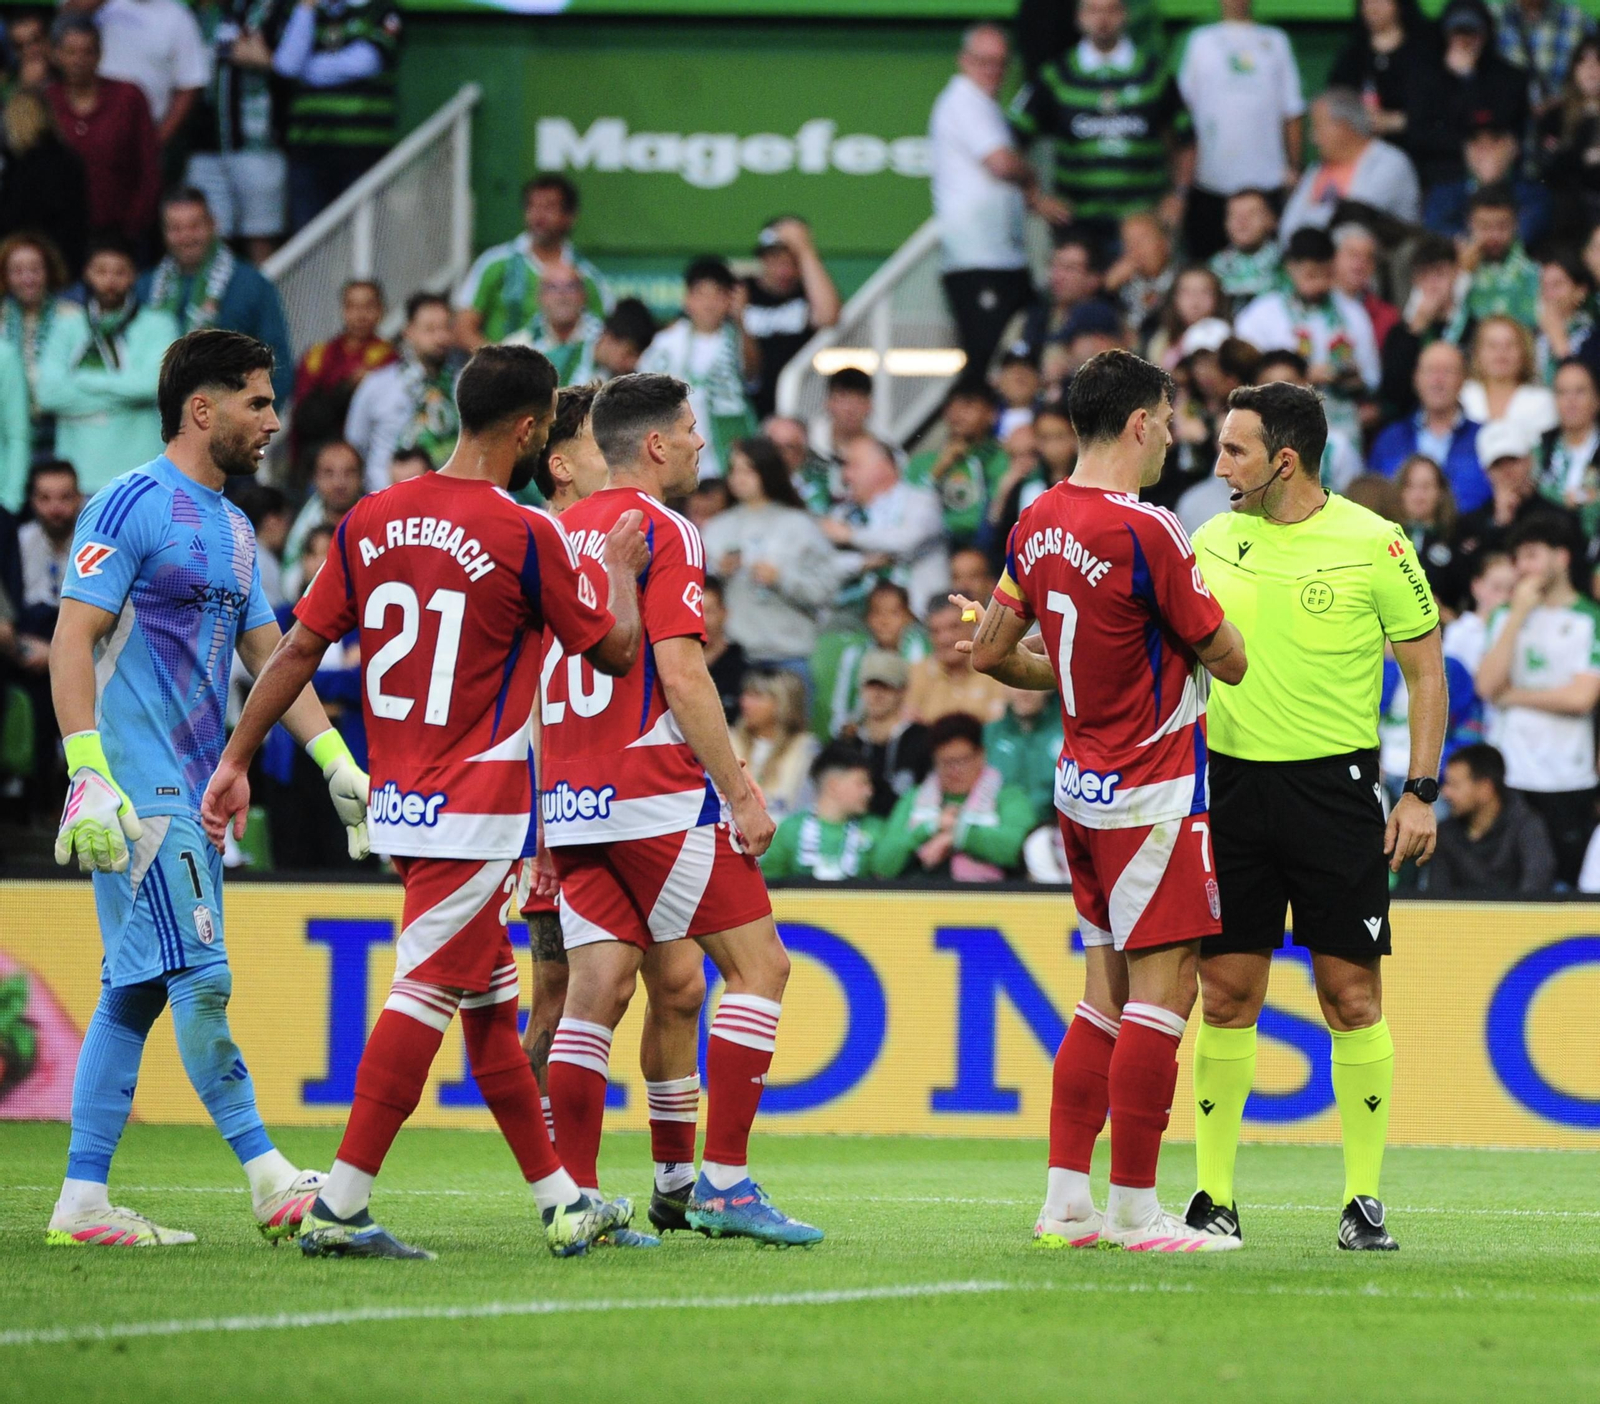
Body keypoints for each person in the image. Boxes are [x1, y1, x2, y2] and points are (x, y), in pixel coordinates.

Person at [206, 343, 647, 1259]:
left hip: (402, 800)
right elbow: (611, 653)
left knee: (488, 1002)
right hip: (479, 807)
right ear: (530, 431)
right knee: (424, 995)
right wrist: (615, 570)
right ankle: (341, 1205)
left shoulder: (371, 517)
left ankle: (563, 1202)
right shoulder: (524, 533)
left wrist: (236, 757)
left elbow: (294, 651)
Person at [46, 329, 363, 1249]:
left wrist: (338, 764)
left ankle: (81, 1201)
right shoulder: (129, 503)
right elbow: (73, 638)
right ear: (202, 408)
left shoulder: (232, 529)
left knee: (132, 993)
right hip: (136, 789)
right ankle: (270, 1179)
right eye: (258, 402)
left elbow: (273, 660)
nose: (272, 420)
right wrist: (86, 773)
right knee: (204, 977)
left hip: (190, 786)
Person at [965, 348, 1248, 1251]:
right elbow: (1230, 658)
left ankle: (1065, 1203)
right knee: (1165, 999)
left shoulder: (1036, 517)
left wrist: (1082, 673)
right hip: (1153, 789)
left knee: (1102, 1001)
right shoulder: (1151, 529)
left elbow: (989, 652)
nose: (1173, 436)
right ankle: (1134, 1208)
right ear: (1137, 424)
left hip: (1080, 789)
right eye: (1167, 420)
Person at [536, 371, 823, 1247]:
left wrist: (545, 817)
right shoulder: (663, 529)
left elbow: (533, 685)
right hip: (655, 793)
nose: (703, 444)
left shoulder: (547, 534)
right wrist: (739, 789)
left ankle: (576, 1202)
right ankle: (725, 1185)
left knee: (595, 995)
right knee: (760, 968)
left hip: (574, 800)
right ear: (654, 444)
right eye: (693, 430)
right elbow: (681, 669)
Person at [1188, 378, 1446, 1251]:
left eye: (1234, 451)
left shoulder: (1377, 544)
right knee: (1225, 996)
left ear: (1284, 460)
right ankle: (1212, 1197)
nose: (1218, 465)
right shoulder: (1212, 539)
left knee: (1351, 994)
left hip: (1335, 795)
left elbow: (1426, 673)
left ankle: (1363, 1202)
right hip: (1228, 788)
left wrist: (1420, 790)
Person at [516, 381, 705, 1246]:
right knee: (567, 995)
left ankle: (667, 1185)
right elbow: (539, 690)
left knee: (670, 983)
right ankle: (560, 1184)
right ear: (561, 463)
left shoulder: (581, 539)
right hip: (567, 794)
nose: (611, 459)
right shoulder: (556, 541)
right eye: (594, 444)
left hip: (581, 794)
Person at [1475, 511, 1600, 886]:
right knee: (1512, 887)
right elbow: (1487, 685)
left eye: (1531, 555)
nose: (1522, 566)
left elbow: (1581, 698)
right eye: (1517, 559)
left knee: (1564, 887)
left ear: (1561, 558)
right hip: (1510, 773)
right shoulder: (1504, 617)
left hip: (1568, 777)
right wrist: (1517, 617)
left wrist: (1513, 695)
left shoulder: (1590, 619)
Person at [1006, 0, 1193, 250]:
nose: (1102, 20)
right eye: (1093, 10)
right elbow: (1014, 138)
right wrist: (1035, 197)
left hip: (1142, 224)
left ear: (1124, 15)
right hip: (1076, 229)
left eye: (1110, 10)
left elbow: (1187, 139)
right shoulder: (1056, 75)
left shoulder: (1153, 74)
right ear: (1078, 17)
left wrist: (1178, 196)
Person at [929, 24, 1059, 380]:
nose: (993, 71)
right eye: (983, 61)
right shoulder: (962, 100)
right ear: (963, 61)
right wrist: (1032, 181)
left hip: (1001, 257)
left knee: (1024, 340)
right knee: (984, 359)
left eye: (1000, 63)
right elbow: (1001, 163)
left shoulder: (985, 106)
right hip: (978, 259)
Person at [1234, 228, 1380, 488]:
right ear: (1291, 268)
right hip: (1275, 428)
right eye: (1311, 274)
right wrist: (1301, 378)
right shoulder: (1262, 314)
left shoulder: (1352, 313)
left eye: (1325, 274)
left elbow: (1373, 378)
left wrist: (1349, 377)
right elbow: (1240, 376)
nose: (1319, 283)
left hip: (1339, 426)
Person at [37, 239, 178, 496]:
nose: (110, 280)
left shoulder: (159, 325)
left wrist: (82, 380)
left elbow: (154, 385)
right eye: (101, 271)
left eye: (120, 272)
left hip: (142, 474)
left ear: (134, 275)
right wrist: (125, 395)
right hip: (77, 475)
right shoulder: (65, 325)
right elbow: (48, 394)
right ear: (87, 274)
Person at [1176, 0, 1306, 261]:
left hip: (1268, 180)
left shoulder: (1276, 41)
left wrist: (1294, 167)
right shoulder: (1200, 41)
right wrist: (1181, 180)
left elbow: (1292, 111)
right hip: (1210, 181)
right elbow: (1183, 114)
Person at [139, 189, 292, 405]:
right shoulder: (145, 288)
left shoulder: (251, 284)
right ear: (163, 233)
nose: (186, 237)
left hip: (231, 421)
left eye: (195, 226)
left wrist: (254, 424)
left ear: (213, 225)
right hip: (155, 424)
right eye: (175, 228)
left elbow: (277, 363)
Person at [700, 435, 838, 672]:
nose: (739, 478)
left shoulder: (800, 525)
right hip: (732, 656)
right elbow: (696, 591)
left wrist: (780, 579)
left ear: (768, 470)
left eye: (748, 470)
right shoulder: (715, 529)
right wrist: (717, 573)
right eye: (734, 470)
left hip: (788, 654)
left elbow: (827, 589)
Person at [271, 0, 402, 233]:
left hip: (362, 152)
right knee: (307, 244)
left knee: (361, 240)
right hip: (307, 150)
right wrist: (306, 9)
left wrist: (307, 68)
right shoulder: (299, 10)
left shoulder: (380, 8)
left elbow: (366, 62)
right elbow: (286, 66)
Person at [184, 0, 292, 264]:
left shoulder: (274, 8)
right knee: (206, 237)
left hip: (258, 145)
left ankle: (263, 302)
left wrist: (262, 56)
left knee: (260, 237)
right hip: (204, 148)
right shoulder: (201, 12)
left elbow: (286, 62)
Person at [871, 711, 1035, 881]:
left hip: (989, 899)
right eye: (946, 762)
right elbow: (883, 864)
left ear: (981, 756)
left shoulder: (1008, 796)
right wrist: (929, 828)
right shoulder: (914, 798)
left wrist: (958, 835)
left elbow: (1021, 850)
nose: (955, 771)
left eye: (962, 761)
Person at [454, 174, 610, 351]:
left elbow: (605, 337)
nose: (539, 216)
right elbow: (463, 329)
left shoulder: (585, 275)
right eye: (532, 206)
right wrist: (500, 364)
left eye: (549, 207)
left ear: (570, 216)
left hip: (567, 375)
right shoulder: (494, 263)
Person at [44, 16, 161, 251]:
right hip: (58, 240)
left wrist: (134, 225)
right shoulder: (45, 102)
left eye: (87, 52)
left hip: (122, 236)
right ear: (56, 54)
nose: (79, 60)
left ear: (99, 54)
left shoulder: (128, 97)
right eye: (70, 52)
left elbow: (150, 166)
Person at [638, 256, 756, 482]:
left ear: (730, 300)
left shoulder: (737, 339)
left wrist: (741, 320)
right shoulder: (668, 341)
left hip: (724, 449)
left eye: (718, 295)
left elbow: (752, 373)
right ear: (687, 299)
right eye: (702, 294)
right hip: (676, 447)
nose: (709, 303)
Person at [343, 291, 459, 491]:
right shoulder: (377, 385)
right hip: (387, 500)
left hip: (447, 504)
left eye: (445, 328)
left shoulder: (462, 386)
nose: (440, 338)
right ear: (408, 332)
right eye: (430, 329)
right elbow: (355, 444)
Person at [823, 436, 948, 618]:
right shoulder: (843, 514)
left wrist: (850, 536)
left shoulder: (921, 500)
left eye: (853, 465)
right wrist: (862, 563)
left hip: (921, 620)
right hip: (861, 624)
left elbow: (907, 540)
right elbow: (821, 565)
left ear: (884, 466)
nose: (845, 476)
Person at [1409, 0, 1529, 188]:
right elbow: (1419, 133)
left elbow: (1494, 124)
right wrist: (1465, 147)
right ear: (1446, 35)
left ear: (1485, 35)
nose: (1464, 40)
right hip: (1446, 174)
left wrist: (1469, 79)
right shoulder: (1427, 77)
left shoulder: (1510, 77)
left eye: (1471, 32)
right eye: (1457, 32)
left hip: (1502, 175)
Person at [1279, 88, 1421, 238]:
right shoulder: (1317, 169)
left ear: (1343, 127)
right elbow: (1288, 228)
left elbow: (1353, 221)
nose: (1313, 139)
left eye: (1317, 127)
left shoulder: (1391, 163)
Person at [78, 0, 209, 157]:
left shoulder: (178, 16)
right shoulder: (99, 6)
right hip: (87, 127)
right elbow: (64, 21)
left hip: (143, 133)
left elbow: (189, 83)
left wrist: (157, 140)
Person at [1370, 341, 1489, 513]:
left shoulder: (1484, 439)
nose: (1438, 381)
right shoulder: (1389, 440)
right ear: (1416, 378)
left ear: (1463, 380)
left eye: (1447, 372)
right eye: (1430, 371)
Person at [1423, 742, 1555, 893]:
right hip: (1460, 916)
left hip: (1515, 915)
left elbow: (1535, 889)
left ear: (1486, 788)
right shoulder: (1446, 832)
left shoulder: (1527, 826)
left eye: (1455, 785)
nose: (1446, 792)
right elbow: (1438, 896)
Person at [742, 217, 840, 418]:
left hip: (801, 411)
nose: (784, 270)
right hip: (747, 411)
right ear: (763, 258)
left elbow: (828, 316)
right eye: (776, 260)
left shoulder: (808, 294)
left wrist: (805, 249)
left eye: (793, 261)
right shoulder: (740, 291)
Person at [290, 280, 396, 463]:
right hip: (315, 457)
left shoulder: (389, 359)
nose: (360, 315)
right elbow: (301, 412)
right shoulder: (318, 355)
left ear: (381, 310)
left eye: (368, 306)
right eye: (352, 306)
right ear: (343, 310)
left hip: (365, 458)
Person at [1327, 0, 1441, 159]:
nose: (1374, 6)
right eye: (1367, 1)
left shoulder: (1426, 52)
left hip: (1420, 156)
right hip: (1362, 158)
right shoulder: (1351, 56)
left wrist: (1396, 121)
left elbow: (1441, 109)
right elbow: (1333, 104)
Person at [1425, 116, 1554, 250]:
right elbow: (1434, 232)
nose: (1485, 149)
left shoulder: (1534, 193)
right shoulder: (1445, 192)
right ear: (1465, 150)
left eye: (1495, 141)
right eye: (1476, 142)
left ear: (1514, 148)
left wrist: (1491, 182)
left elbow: (1525, 234)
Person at [905, 378, 1007, 545]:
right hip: (933, 549)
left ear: (991, 414)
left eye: (968, 406)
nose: (958, 413)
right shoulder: (921, 463)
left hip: (988, 549)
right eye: (952, 406)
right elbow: (905, 514)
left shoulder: (1001, 459)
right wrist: (939, 468)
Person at [0, 88, 90, 277]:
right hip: (66, 260)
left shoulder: (19, 167)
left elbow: (14, 219)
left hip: (30, 262)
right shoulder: (69, 159)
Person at [760, 742, 882, 881]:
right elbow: (769, 883)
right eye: (861, 783)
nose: (869, 792)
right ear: (833, 785)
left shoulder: (875, 829)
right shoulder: (791, 828)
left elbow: (886, 875)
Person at [0, 232, 70, 461]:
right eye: (17, 271)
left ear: (48, 271)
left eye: (35, 269)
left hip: (61, 426)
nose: (27, 278)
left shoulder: (71, 316)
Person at [848, 648, 932, 817]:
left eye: (886, 686)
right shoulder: (850, 744)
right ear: (861, 689)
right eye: (871, 685)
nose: (877, 694)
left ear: (902, 690)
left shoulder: (923, 741)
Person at [731, 669, 818, 823]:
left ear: (783, 703)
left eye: (757, 696)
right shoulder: (729, 740)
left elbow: (805, 810)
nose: (745, 703)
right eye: (746, 694)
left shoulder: (806, 748)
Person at [904, 595, 1006, 725]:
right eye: (936, 631)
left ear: (972, 627)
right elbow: (911, 721)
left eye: (954, 627)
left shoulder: (995, 668)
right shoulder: (917, 673)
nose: (945, 639)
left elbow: (1000, 723)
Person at [1462, 314, 1557, 445]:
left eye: (1510, 345)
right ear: (1477, 353)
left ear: (1524, 352)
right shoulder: (1462, 395)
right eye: (1492, 346)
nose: (1501, 353)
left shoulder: (1543, 400)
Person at [1539, 36, 1600, 237]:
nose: (1591, 69)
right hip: (1571, 209)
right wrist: (1585, 151)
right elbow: (1554, 169)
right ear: (1573, 69)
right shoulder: (1555, 116)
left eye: (1598, 61)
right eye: (1583, 61)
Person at [1459, 184, 1542, 328]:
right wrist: (1464, 274)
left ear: (1516, 224)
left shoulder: (1535, 271)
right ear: (1469, 224)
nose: (1494, 235)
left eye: (1502, 226)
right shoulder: (1450, 267)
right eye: (1485, 226)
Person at [1491, 0, 1591, 119]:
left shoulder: (1577, 20)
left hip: (1564, 120)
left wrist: (1562, 99)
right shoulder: (1494, 18)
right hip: (1508, 122)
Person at [508, 262, 602, 386]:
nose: (562, 295)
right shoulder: (516, 348)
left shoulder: (605, 343)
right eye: (552, 287)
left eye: (571, 287)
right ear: (539, 297)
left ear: (583, 295)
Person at [982, 684, 1063, 824]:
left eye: (1032, 683)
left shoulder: (1067, 733)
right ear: (1003, 687)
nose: (1024, 692)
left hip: (1054, 829)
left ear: (1049, 686)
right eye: (1015, 683)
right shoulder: (989, 734)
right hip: (1000, 827)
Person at [1537, 357, 1600, 534]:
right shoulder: (1540, 450)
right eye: (1562, 392)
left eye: (1580, 392)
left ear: (1597, 398)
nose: (1570, 401)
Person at [282, 437, 363, 571]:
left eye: (349, 472)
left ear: (361, 477)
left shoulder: (378, 517)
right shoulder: (302, 527)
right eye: (328, 473)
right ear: (315, 478)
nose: (339, 483)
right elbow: (289, 578)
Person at [1394, 455, 1462, 598]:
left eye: (1426, 487)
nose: (1418, 495)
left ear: (1440, 492)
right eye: (1410, 486)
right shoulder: (1386, 536)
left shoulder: (1456, 537)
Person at [1209, 190, 1283, 313]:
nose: (1242, 222)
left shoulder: (1287, 262)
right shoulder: (1213, 267)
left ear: (1271, 220)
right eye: (1234, 215)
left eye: (1252, 214)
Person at [1105, 213, 1176, 334]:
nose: (1135, 247)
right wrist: (1106, 290)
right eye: (1128, 241)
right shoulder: (1119, 284)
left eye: (1143, 239)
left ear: (1166, 242)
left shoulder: (1181, 281)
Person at [1331, 223, 1398, 350]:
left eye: (1368, 258)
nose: (1360, 264)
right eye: (1352, 255)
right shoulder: (1313, 304)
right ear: (1333, 257)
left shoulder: (1388, 317)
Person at [1445, 548, 1515, 670]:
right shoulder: (1459, 631)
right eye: (1497, 588)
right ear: (1477, 586)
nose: (1504, 598)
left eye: (1510, 590)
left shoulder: (1517, 630)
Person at [1534, 253, 1595, 383]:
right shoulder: (1531, 335)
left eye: (1557, 285)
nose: (1549, 294)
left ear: (1581, 291)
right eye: (1544, 286)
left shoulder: (1593, 337)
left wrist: (1559, 342)